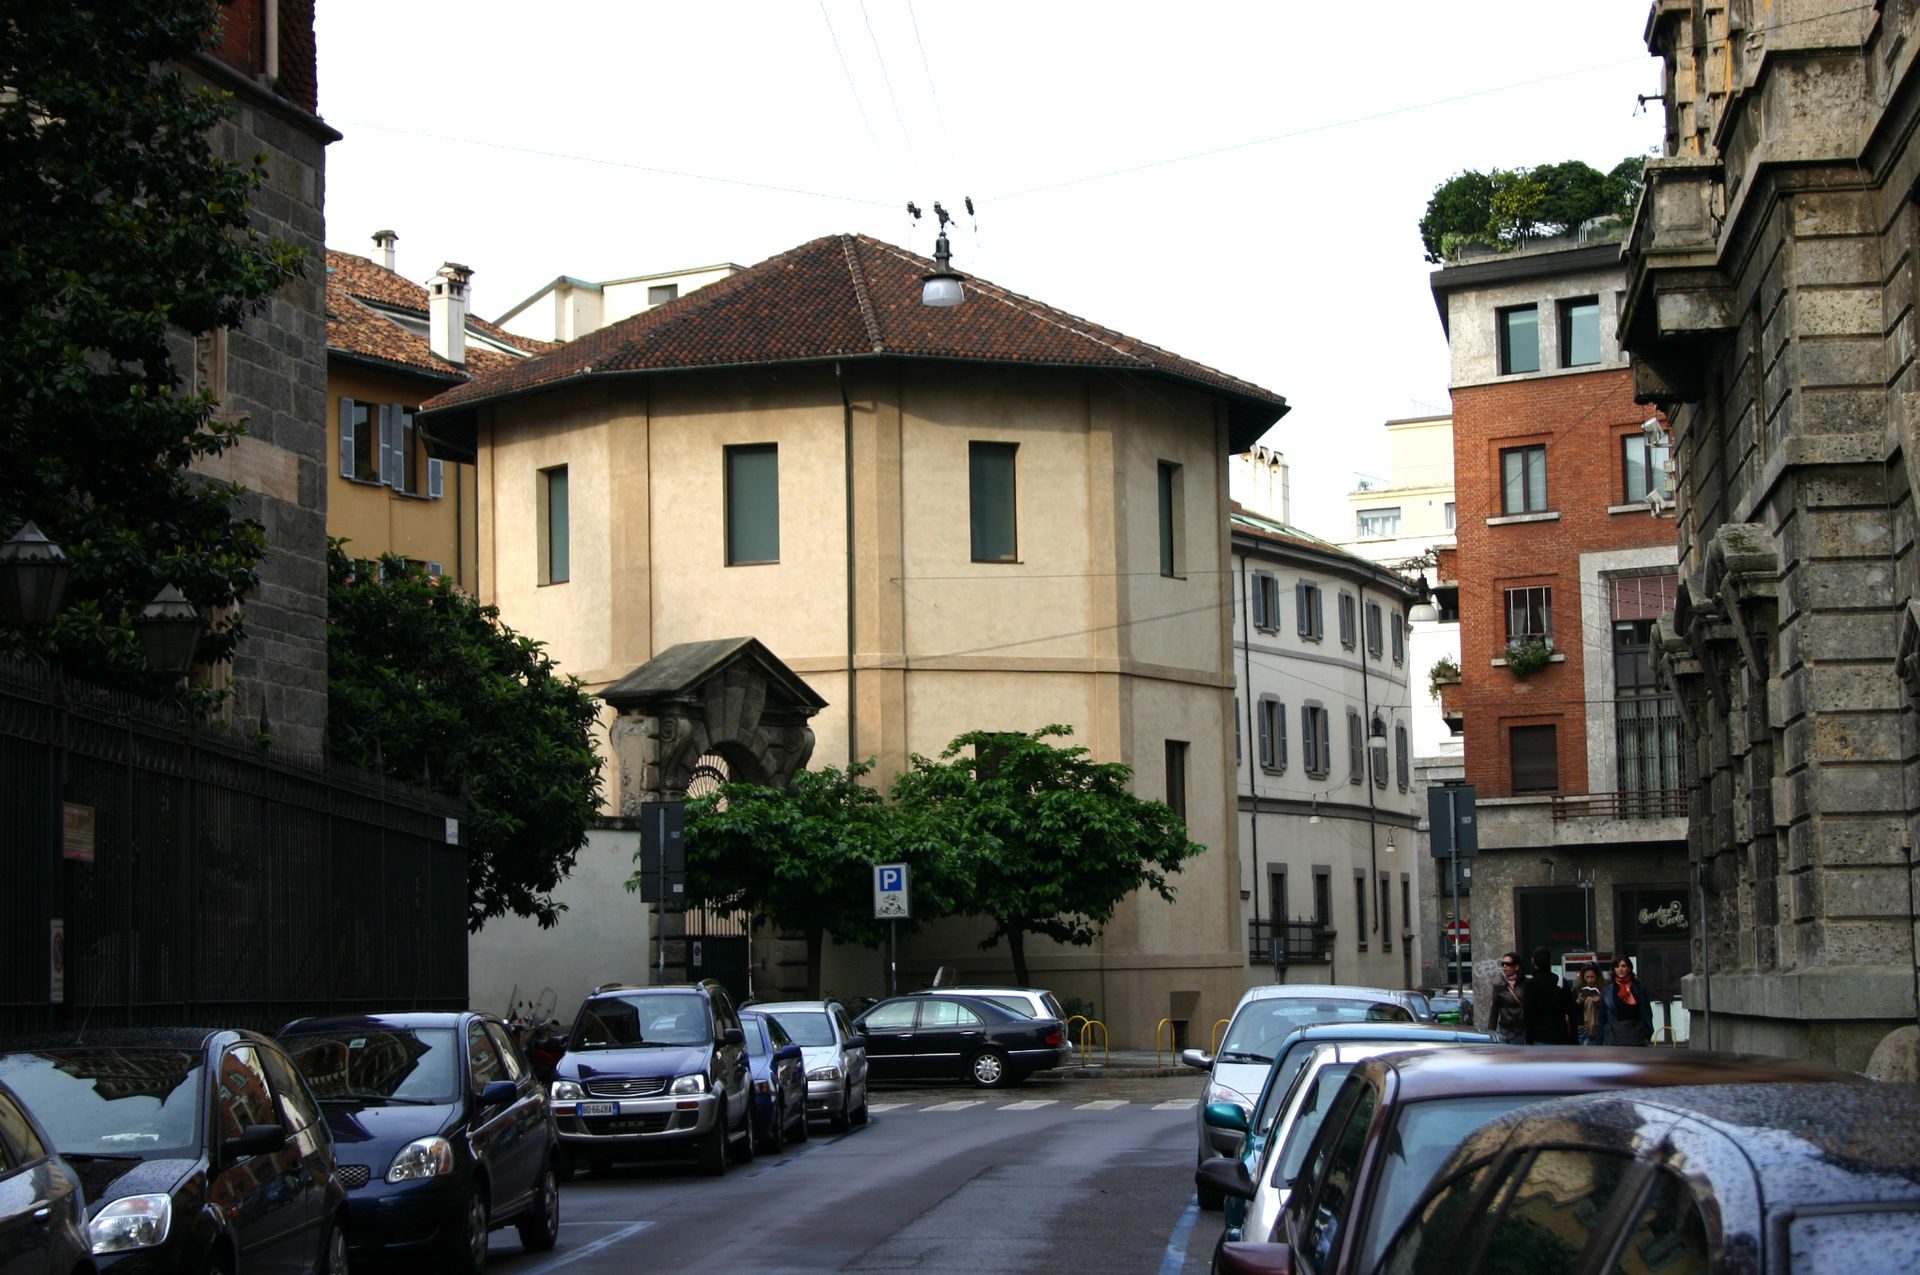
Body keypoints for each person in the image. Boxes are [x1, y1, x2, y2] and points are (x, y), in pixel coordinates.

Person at [1523, 947, 1573, 1045]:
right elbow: (1572, 1012)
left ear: (1533, 961)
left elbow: (1528, 1014)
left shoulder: (1530, 984)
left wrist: (1528, 1039)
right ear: (1551, 961)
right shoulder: (1562, 982)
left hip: (1538, 1037)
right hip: (1560, 1035)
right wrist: (1574, 1038)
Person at [1603, 955, 1655, 1046]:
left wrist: (1647, 1034)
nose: (1620, 969)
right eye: (1617, 966)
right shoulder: (1608, 990)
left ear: (1629, 968)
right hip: (1614, 1036)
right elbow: (1603, 1017)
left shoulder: (1639, 988)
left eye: (1623, 966)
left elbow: (1647, 1012)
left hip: (1636, 1035)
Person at [1484, 951, 1527, 1043]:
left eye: (1508, 964)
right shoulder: (1499, 986)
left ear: (1516, 967)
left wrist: (1518, 1029)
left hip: (1520, 1031)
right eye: (1503, 964)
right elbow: (1494, 1011)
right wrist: (1490, 1032)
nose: (1504, 966)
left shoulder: (1526, 985)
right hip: (1504, 1030)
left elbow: (1528, 1009)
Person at [1573, 967, 1605, 1045]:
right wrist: (1579, 1001)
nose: (1589, 980)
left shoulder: (1603, 990)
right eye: (1587, 977)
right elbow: (1573, 1011)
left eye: (1592, 977)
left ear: (1597, 977)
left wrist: (1598, 1002)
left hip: (1598, 1027)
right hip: (1583, 1027)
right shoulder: (1577, 990)